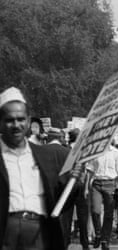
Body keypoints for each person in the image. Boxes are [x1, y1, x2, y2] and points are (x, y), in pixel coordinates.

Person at [0, 87, 82, 250]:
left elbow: (58, 199)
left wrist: (75, 182)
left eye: (21, 119)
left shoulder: (43, 156)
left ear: (29, 121)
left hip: (39, 233)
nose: (16, 125)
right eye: (10, 120)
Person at [86, 143, 118, 250]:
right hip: (96, 183)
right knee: (95, 210)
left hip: (110, 183)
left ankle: (105, 240)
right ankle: (98, 234)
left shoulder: (117, 153)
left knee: (109, 214)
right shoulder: (95, 151)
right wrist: (86, 187)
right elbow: (90, 170)